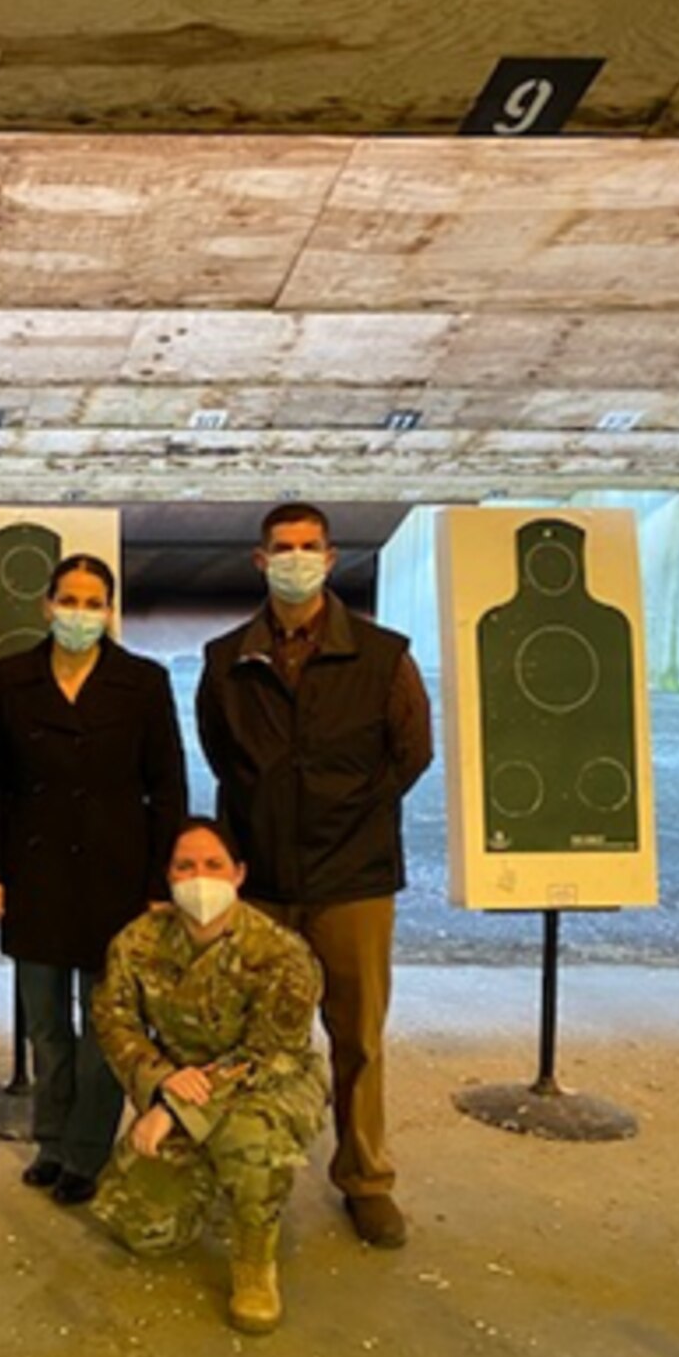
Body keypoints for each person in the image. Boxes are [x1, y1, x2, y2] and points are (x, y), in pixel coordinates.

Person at [196, 503, 433, 1250]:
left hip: (354, 881)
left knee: (357, 1037)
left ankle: (365, 1179)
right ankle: (250, 1171)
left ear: (330, 559)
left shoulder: (382, 654)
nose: (295, 558)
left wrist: (345, 812)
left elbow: (411, 752)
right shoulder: (226, 658)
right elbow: (221, 754)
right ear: (260, 561)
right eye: (281, 548)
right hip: (262, 879)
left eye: (309, 546)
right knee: (252, 1039)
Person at [0, 554, 187, 1206]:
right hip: (36, 873)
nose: (80, 612)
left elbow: (168, 785)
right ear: (46, 605)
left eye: (94, 602)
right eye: (69, 599)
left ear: (110, 610)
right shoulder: (12, 679)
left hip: (117, 875)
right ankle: (51, 1139)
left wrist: (162, 881)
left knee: (104, 1026)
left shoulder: (143, 682)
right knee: (44, 1023)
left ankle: (87, 1153)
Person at [89, 819, 328, 1336]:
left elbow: (271, 1053)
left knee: (250, 1140)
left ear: (239, 873)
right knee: (144, 1230)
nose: (200, 877)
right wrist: (160, 1081)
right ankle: (207, 1171)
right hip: (175, 1084)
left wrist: (172, 1111)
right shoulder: (138, 941)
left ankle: (254, 1257)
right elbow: (115, 1020)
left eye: (213, 865)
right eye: (186, 866)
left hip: (270, 1086)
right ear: (169, 877)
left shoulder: (281, 953)